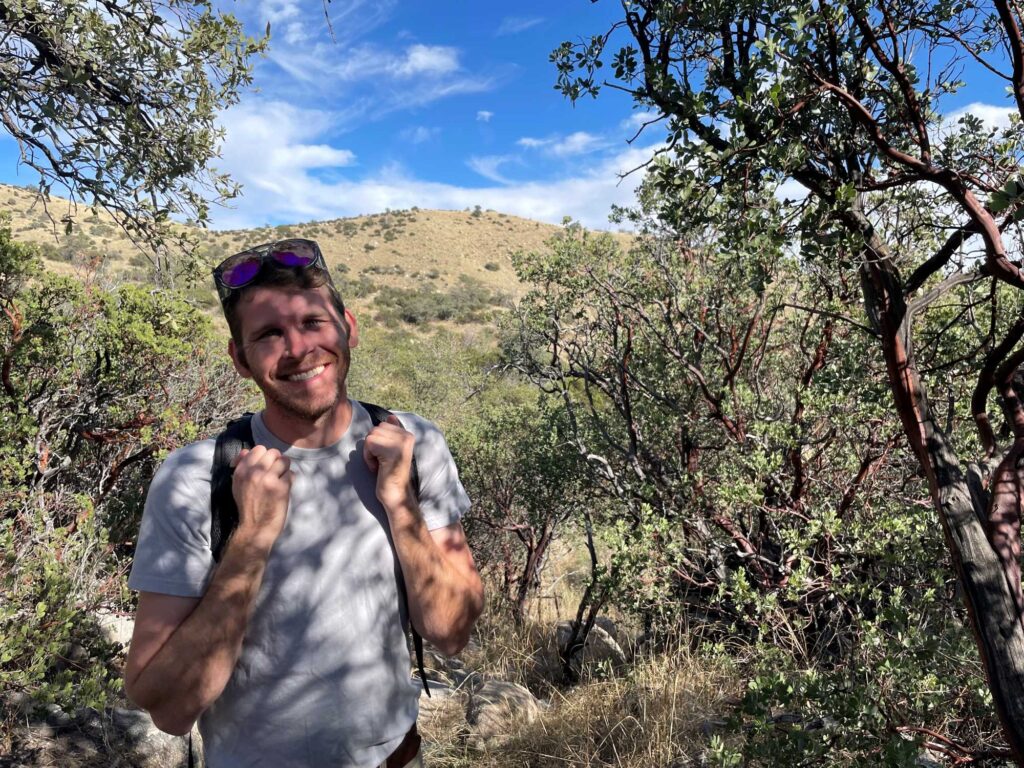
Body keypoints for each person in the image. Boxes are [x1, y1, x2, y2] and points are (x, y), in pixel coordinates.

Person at [123, 238, 484, 768]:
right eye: (269, 334)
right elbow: (168, 709)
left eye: (313, 323)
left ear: (348, 328)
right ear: (240, 359)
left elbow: (453, 632)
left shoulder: (413, 443)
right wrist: (251, 541)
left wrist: (400, 505)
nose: (298, 348)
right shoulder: (194, 477)